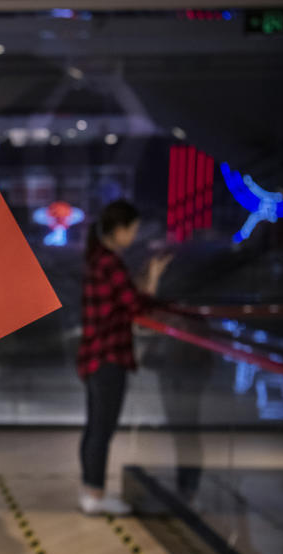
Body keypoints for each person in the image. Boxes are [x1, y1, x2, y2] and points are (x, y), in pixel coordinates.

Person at [77, 200, 172, 515]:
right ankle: (94, 494)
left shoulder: (98, 260)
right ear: (119, 230)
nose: (134, 235)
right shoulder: (110, 263)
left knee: (95, 427)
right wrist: (154, 280)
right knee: (102, 429)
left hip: (95, 355)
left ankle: (91, 491)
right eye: (132, 230)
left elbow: (124, 300)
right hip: (108, 357)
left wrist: (146, 279)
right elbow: (137, 307)